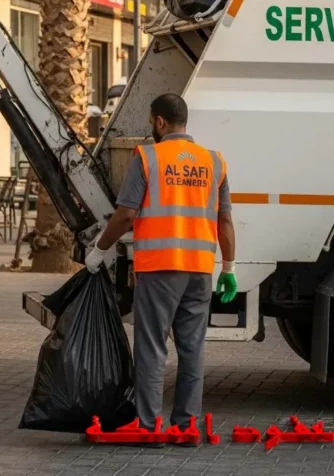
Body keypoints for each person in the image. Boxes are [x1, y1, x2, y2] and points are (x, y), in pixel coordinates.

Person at [86, 93, 237, 438]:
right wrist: (227, 267)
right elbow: (225, 220)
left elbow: (126, 215)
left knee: (152, 347)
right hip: (200, 270)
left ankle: (149, 425)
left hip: (159, 268)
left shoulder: (148, 156)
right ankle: (186, 427)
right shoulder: (214, 161)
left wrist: (99, 249)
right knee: (192, 348)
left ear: (159, 122)